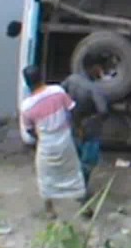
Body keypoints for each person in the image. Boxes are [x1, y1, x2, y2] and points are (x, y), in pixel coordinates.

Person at [19, 65, 86, 220]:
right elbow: (73, 110)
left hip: (46, 143)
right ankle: (83, 205)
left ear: (27, 83)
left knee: (45, 176)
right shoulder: (57, 91)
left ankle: (50, 210)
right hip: (64, 139)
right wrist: (79, 130)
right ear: (41, 77)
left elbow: (29, 130)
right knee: (74, 171)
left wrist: (39, 138)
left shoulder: (26, 106)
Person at [61, 52, 109, 213]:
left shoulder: (72, 79)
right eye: (101, 68)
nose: (102, 71)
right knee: (88, 162)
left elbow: (61, 93)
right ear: (95, 68)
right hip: (90, 129)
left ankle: (72, 186)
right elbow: (103, 111)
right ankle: (81, 193)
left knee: (75, 157)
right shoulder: (94, 88)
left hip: (73, 125)